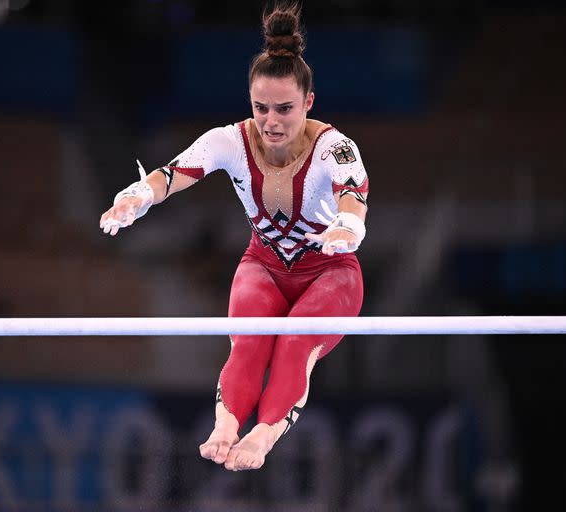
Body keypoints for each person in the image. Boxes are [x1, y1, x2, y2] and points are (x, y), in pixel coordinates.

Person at [100, 2, 368, 471]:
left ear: (308, 102)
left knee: (294, 343)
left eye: (285, 108)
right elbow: (171, 174)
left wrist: (348, 225)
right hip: (263, 265)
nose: (271, 121)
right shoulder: (230, 141)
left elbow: (353, 196)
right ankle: (225, 427)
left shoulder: (335, 147)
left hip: (330, 273)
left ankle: (262, 438)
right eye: (261, 107)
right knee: (247, 342)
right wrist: (137, 196)